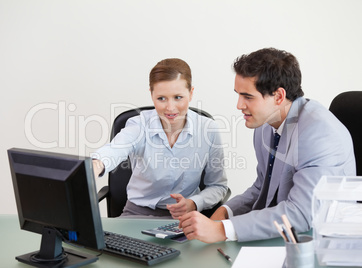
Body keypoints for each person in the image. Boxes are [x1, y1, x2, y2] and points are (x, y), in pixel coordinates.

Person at [179, 48, 356, 242]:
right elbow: (263, 186)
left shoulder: (320, 134)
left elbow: (302, 214)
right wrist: (225, 211)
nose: (239, 105)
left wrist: (223, 230)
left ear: (279, 97)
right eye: (238, 94)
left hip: (319, 241)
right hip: (281, 233)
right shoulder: (266, 124)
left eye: (248, 97)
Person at [91, 58, 228, 218]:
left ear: (190, 94)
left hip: (185, 216)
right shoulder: (139, 124)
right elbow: (115, 149)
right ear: (151, 94)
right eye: (161, 98)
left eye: (178, 97)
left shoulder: (208, 129)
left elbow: (218, 186)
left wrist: (194, 203)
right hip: (136, 214)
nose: (170, 108)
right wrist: (96, 165)